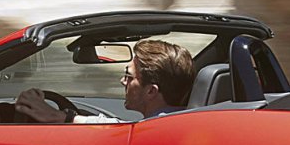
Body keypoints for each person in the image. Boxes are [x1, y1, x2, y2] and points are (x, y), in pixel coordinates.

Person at [14, 38, 197, 123]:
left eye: (129, 77)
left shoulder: (157, 131)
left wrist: (58, 116)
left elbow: (116, 130)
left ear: (151, 91)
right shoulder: (184, 121)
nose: (121, 81)